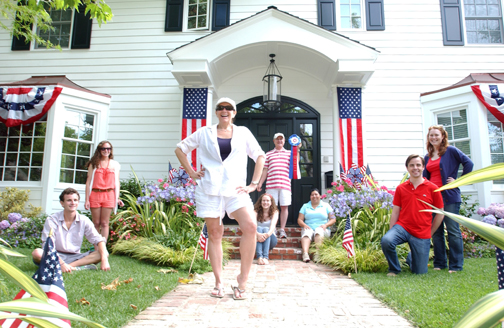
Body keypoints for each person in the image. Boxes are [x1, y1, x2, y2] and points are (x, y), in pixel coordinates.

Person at [175, 97, 265, 300]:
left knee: (250, 226)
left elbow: (260, 156)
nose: (224, 110)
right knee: (215, 234)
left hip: (236, 190)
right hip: (209, 189)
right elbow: (180, 149)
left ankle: (242, 279)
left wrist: (253, 184)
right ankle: (219, 282)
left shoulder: (243, 133)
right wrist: (190, 171)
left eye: (229, 108)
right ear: (216, 112)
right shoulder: (204, 132)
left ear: (234, 112)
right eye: (220, 108)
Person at [381, 155, 444, 275]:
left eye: (418, 165)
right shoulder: (401, 188)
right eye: (412, 165)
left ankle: (411, 257)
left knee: (419, 272)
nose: (415, 168)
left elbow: (440, 214)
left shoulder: (433, 188)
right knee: (386, 240)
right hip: (403, 227)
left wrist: (430, 233)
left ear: (423, 167)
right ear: (407, 168)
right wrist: (391, 231)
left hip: (422, 232)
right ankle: (394, 269)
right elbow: (395, 211)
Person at [424, 125, 473, 273]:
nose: (434, 138)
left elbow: (468, 163)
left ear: (443, 136)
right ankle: (440, 263)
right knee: (437, 231)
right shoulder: (427, 156)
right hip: (434, 198)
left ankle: (456, 265)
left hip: (449, 196)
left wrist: (459, 181)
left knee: (452, 230)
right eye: (431, 135)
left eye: (436, 135)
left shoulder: (451, 151)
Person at [32, 188, 110, 272]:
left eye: (75, 200)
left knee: (103, 253)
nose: (73, 203)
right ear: (62, 203)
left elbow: (99, 240)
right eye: (69, 200)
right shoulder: (52, 220)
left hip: (75, 257)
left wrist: (104, 260)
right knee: (37, 253)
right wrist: (61, 263)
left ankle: (68, 267)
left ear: (78, 202)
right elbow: (48, 245)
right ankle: (73, 268)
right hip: (55, 255)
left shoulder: (84, 220)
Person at [258, 133, 296, 239]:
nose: (279, 141)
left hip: (285, 185)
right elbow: (265, 170)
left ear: (284, 141)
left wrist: (297, 149)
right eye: (277, 139)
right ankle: (273, 229)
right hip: (271, 184)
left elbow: (295, 166)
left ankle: (282, 229)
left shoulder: (290, 153)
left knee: (284, 207)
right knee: (271, 207)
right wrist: (260, 182)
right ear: (274, 141)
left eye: (281, 139)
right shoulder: (268, 154)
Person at [84, 140, 123, 240]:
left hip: (109, 195)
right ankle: (97, 247)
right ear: (99, 150)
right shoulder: (94, 164)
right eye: (104, 149)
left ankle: (103, 248)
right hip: (95, 194)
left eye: (108, 148)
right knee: (96, 223)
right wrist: (86, 200)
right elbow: (88, 182)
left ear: (111, 150)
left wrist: (117, 198)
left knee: (105, 223)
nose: (106, 151)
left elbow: (117, 182)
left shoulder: (115, 164)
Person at [297, 188, 336, 263]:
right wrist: (304, 225)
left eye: (316, 194)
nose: (314, 196)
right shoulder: (305, 206)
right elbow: (299, 220)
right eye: (312, 195)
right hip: (309, 227)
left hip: (322, 228)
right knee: (306, 233)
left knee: (319, 231)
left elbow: (333, 219)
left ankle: (318, 254)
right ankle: (305, 254)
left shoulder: (326, 205)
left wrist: (325, 225)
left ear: (320, 196)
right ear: (310, 197)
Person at [254, 193, 279, 265]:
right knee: (258, 228)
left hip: (271, 239)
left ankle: (265, 257)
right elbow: (253, 226)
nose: (265, 202)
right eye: (263, 200)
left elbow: (273, 226)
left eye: (267, 201)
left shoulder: (275, 212)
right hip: (257, 238)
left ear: (271, 203)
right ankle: (260, 258)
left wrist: (266, 235)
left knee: (266, 229)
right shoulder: (255, 212)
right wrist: (258, 235)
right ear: (260, 202)